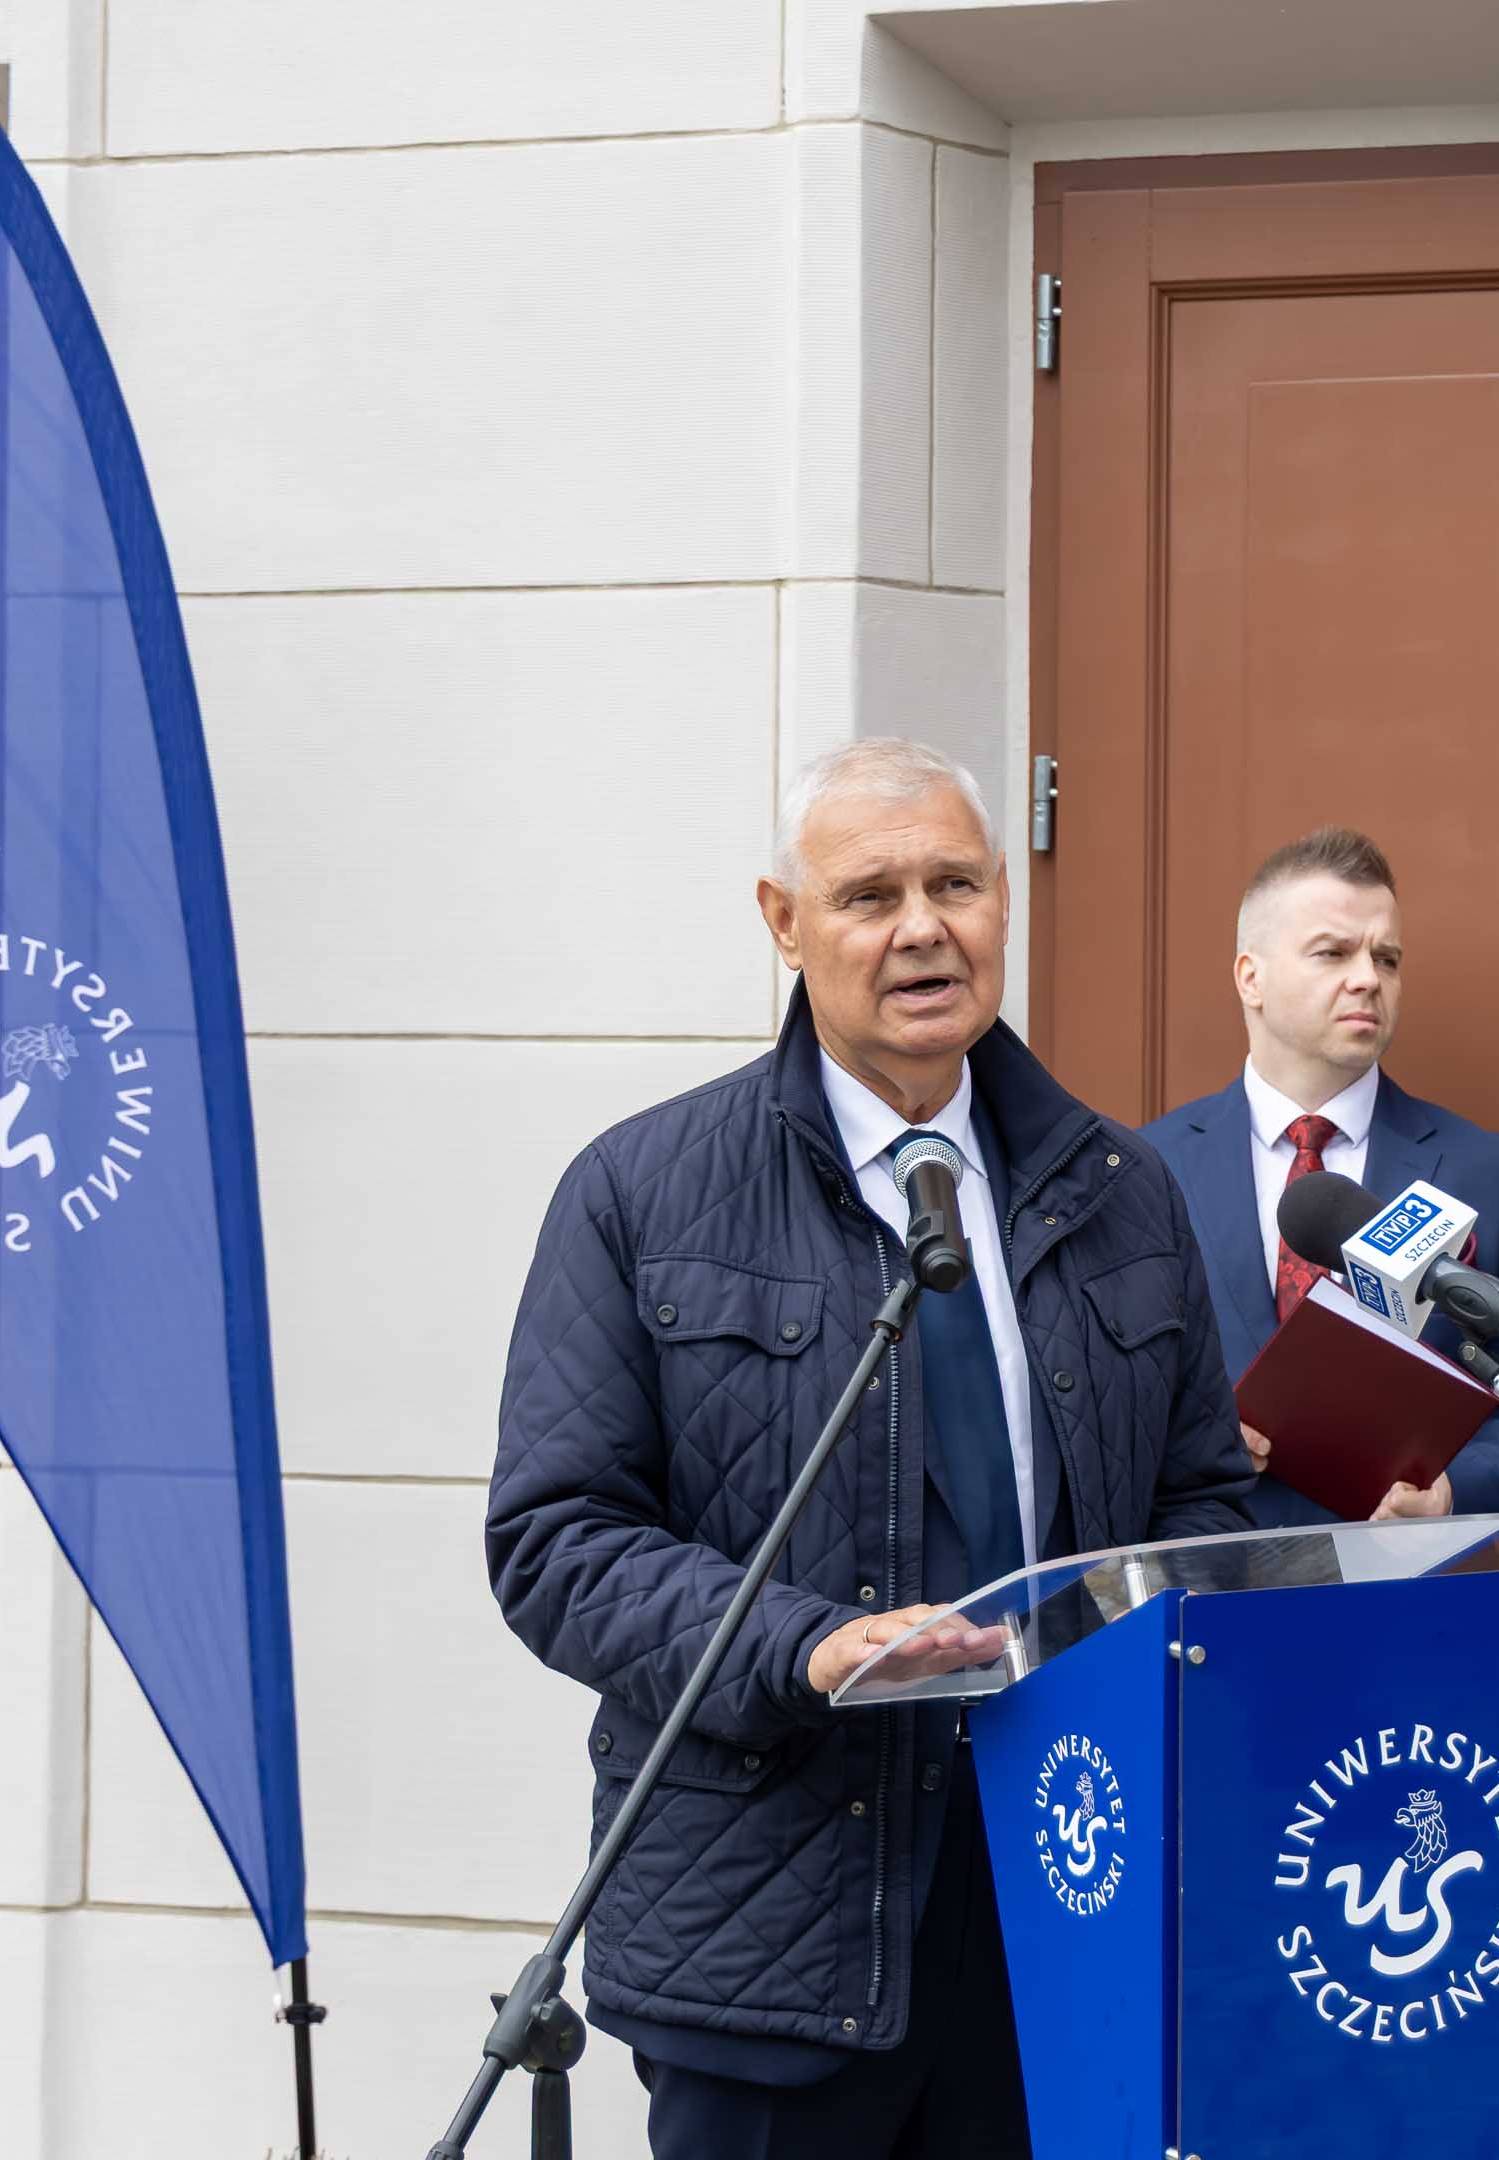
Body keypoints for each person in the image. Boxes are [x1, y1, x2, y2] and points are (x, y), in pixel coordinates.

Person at [485, 738, 1256, 2160]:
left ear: (1006, 899)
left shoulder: (1123, 1191)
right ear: (783, 922)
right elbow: (558, 1542)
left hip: (1061, 1896)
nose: (922, 929)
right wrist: (804, 1646)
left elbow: (1202, 1501)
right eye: (869, 895)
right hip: (770, 1921)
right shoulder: (640, 1193)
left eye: (955, 885)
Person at [1139, 826, 1499, 1525]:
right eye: (1333, 952)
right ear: (1251, 978)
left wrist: (1452, 1494)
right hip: (1211, 1570)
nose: (1368, 979)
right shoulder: (1147, 1168)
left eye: (1387, 958)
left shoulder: (1497, 1175)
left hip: (1407, 1578)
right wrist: (1187, 1440)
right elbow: (1102, 1397)